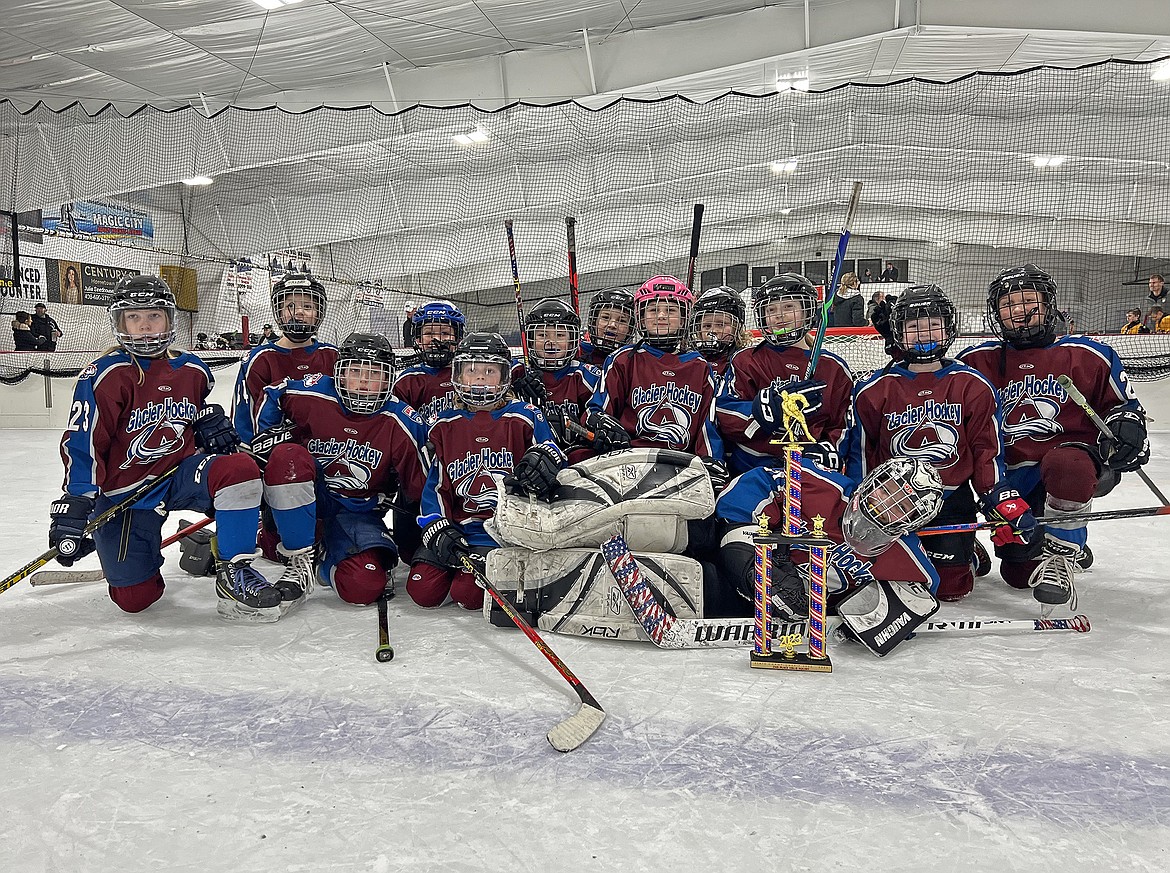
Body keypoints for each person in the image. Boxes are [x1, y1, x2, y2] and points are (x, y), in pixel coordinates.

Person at [51, 275, 291, 622]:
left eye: (153, 316)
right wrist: (78, 503)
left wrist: (208, 420)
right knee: (136, 598)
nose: (145, 327)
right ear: (120, 323)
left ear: (169, 319)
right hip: (127, 492)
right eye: (134, 318)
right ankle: (139, 556)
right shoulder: (106, 375)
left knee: (239, 469)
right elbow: (83, 440)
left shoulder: (192, 368)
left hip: (179, 474)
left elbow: (193, 412)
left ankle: (234, 566)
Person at [958, 265, 1150, 613]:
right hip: (1006, 480)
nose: (1019, 310)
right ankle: (991, 543)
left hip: (1068, 465)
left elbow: (1123, 408)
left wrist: (1127, 427)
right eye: (1009, 304)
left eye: (1029, 300)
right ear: (995, 313)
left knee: (1068, 464)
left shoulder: (1089, 354)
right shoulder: (975, 361)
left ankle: (1063, 548)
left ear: (1049, 305)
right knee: (1019, 574)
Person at [844, 284, 1030, 602]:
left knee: (951, 589)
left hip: (951, 498)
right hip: (893, 502)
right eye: (913, 327)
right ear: (898, 332)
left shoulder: (972, 385)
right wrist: (858, 502)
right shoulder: (873, 389)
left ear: (949, 328)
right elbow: (861, 453)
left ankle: (964, 549)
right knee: (891, 579)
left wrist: (1002, 501)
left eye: (933, 324)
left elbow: (987, 451)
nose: (923, 333)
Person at [252, 333, 430, 604]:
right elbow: (273, 394)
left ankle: (321, 559)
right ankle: (294, 552)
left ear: (389, 379)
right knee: (289, 456)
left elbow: (421, 486)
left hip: (355, 512)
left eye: (374, 374)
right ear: (339, 372)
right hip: (308, 499)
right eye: (355, 371)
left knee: (363, 585)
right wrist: (268, 434)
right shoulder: (313, 393)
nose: (363, 381)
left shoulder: (401, 420)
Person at [714, 455, 943, 654]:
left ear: (910, 522)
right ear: (873, 479)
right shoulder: (819, 485)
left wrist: (874, 621)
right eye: (885, 489)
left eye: (901, 507)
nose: (883, 503)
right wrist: (756, 567)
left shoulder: (910, 562)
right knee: (705, 564)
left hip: (802, 622)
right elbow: (748, 488)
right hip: (739, 585)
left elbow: (921, 598)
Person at [411, 332, 565, 611]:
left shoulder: (525, 416)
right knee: (422, 590)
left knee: (468, 595)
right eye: (471, 370)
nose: (480, 378)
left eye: (489, 371)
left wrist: (545, 461)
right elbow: (436, 484)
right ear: (458, 375)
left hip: (501, 531)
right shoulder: (443, 424)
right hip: (458, 527)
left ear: (504, 376)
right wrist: (436, 525)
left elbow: (555, 457)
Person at [715, 273, 852, 474]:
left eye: (788, 307)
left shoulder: (833, 368)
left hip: (810, 469)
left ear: (807, 312)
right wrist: (760, 412)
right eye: (771, 310)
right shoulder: (746, 360)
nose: (779, 315)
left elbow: (842, 425)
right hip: (752, 467)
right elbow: (724, 411)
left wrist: (828, 450)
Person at [588, 275, 722, 460]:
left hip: (681, 464)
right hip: (629, 459)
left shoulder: (700, 367)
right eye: (652, 310)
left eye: (670, 310)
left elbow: (708, 426)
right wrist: (601, 423)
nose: (661, 316)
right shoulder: (622, 360)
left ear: (684, 320)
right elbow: (596, 411)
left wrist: (711, 460)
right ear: (641, 318)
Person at [510, 298, 600, 463]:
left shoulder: (586, 375)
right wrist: (513, 396)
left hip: (577, 460)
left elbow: (598, 426)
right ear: (529, 337)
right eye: (542, 334)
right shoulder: (515, 371)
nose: (550, 343)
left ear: (572, 339)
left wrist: (578, 429)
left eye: (560, 335)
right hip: (528, 460)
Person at [393, 300, 466, 424]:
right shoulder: (408, 380)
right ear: (418, 339)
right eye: (429, 333)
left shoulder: (468, 374)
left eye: (445, 333)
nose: (437, 339)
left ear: (458, 338)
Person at [687, 286, 748, 380]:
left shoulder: (744, 361)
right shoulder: (690, 359)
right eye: (707, 326)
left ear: (737, 327)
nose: (713, 331)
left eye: (721, 324)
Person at [579, 287, 636, 368]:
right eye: (605, 318)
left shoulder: (636, 364)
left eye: (622, 321)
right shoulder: (578, 360)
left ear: (630, 330)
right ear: (594, 322)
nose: (612, 325)